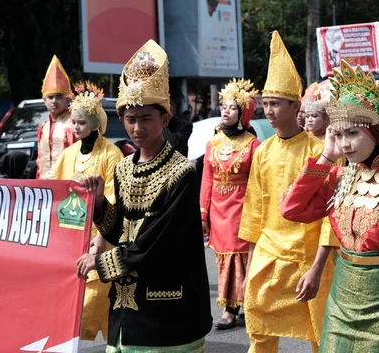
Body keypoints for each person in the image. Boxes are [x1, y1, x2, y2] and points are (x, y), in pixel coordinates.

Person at [280, 60, 379, 352]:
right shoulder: (338, 177)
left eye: (352, 133)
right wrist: (326, 158)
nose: (345, 144)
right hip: (341, 302)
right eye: (338, 135)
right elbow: (291, 209)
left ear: (377, 131)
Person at [76, 40, 212, 351]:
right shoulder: (123, 168)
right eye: (130, 119)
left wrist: (101, 262)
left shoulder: (182, 172)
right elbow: (120, 229)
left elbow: (157, 242)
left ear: (164, 119)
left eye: (146, 118)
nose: (138, 127)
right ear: (121, 120)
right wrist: (98, 203)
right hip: (126, 306)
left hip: (168, 309)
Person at [238, 31, 338, 353]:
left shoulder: (320, 150)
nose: (268, 110)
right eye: (265, 104)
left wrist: (318, 266)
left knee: (319, 333)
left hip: (307, 257)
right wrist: (249, 267)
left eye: (275, 103)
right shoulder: (262, 151)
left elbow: (328, 216)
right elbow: (254, 209)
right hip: (268, 256)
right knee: (258, 325)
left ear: (296, 106)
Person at [54, 81, 124, 342]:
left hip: (102, 239)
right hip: (75, 237)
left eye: (81, 122)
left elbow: (114, 200)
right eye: (73, 122)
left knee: (103, 299)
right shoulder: (68, 155)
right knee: (74, 302)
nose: (75, 127)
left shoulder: (111, 154)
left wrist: (101, 240)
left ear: (95, 123)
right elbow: (59, 195)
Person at [199, 78, 260, 330]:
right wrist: (203, 212)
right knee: (224, 258)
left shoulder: (253, 144)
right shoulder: (212, 143)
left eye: (232, 107)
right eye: (223, 106)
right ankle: (233, 305)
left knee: (242, 257)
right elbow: (207, 179)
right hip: (219, 209)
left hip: (242, 208)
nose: (225, 110)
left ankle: (234, 308)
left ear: (244, 113)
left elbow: (258, 181)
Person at [36, 55, 76, 179]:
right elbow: (39, 161)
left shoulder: (73, 123)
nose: (54, 101)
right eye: (50, 97)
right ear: (44, 100)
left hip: (66, 184)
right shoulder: (43, 127)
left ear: (68, 100)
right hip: (44, 187)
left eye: (59, 97)